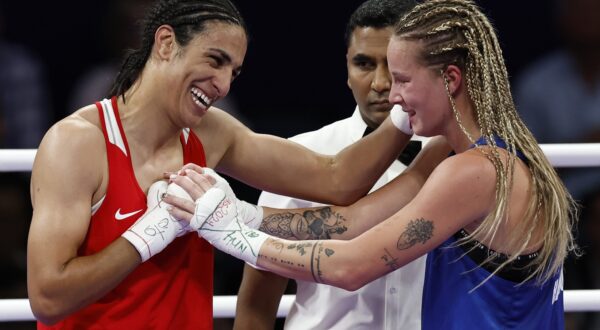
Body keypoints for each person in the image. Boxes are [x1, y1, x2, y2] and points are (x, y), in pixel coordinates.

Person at [167, 0, 579, 328]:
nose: (390, 95)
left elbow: (349, 266)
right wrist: (239, 213)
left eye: (402, 78)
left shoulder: (475, 171)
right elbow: (351, 221)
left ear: (450, 79)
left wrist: (229, 232)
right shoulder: (457, 154)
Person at [26, 0, 415, 329]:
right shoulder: (77, 143)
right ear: (165, 43)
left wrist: (408, 108)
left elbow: (336, 179)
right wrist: (143, 237)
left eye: (234, 71)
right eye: (215, 60)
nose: (224, 85)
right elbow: (48, 296)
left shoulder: (211, 134)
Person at [234, 1, 427, 329]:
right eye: (364, 64)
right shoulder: (303, 155)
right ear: (347, 69)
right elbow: (257, 302)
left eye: (394, 65)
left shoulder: (456, 159)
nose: (381, 83)